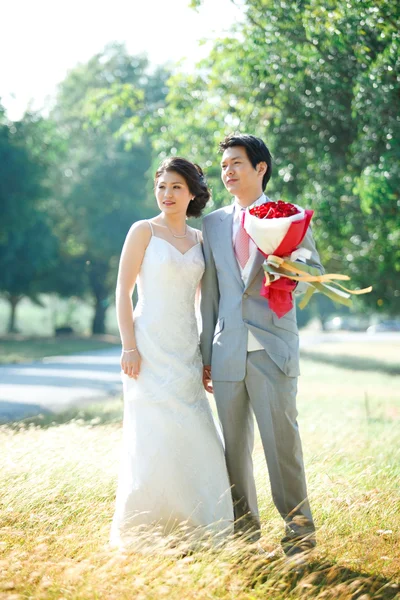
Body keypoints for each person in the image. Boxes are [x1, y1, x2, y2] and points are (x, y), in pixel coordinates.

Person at [200, 134, 323, 556]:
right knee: (233, 449)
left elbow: (313, 273)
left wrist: (285, 267)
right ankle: (245, 534)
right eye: (223, 166)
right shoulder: (213, 223)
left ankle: (299, 535)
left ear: (260, 168)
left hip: (272, 346)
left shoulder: (289, 217)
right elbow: (212, 295)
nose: (228, 171)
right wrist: (205, 354)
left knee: (282, 445)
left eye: (236, 163)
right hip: (226, 348)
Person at [111, 157, 234, 549]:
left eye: (176, 187)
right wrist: (129, 346)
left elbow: (205, 303)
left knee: (198, 433)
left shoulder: (200, 240)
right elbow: (122, 292)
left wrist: (205, 355)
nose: (167, 194)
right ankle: (147, 529)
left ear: (193, 192)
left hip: (186, 351)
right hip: (146, 349)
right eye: (162, 186)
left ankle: (201, 525)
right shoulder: (143, 231)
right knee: (152, 435)